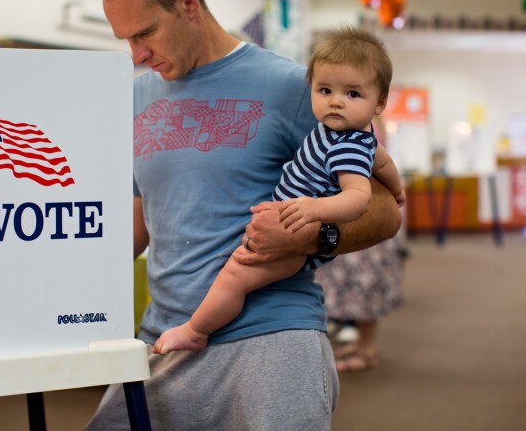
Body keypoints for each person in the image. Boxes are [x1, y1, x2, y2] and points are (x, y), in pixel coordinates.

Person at [87, 0, 401, 431]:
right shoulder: (136, 96)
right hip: (166, 336)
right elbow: (141, 221)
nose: (136, 53)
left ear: (187, 2)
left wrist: (314, 235)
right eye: (124, 38)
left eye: (145, 33)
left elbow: (386, 209)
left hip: (271, 334)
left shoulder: (291, 87)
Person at [153, 27, 405, 355]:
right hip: (290, 221)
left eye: (353, 94)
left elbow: (358, 198)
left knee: (235, 275)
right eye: (325, 90)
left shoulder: (348, 148)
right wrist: (398, 190)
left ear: (379, 103)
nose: (336, 102)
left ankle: (196, 330)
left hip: (297, 238)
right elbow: (382, 163)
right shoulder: (348, 134)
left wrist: (313, 210)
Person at [315, 115, 407, 373]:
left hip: (366, 213)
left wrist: (397, 192)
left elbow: (381, 165)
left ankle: (367, 349)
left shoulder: (362, 128)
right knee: (352, 284)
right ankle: (362, 344)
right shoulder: (360, 122)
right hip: (355, 213)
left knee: (365, 284)